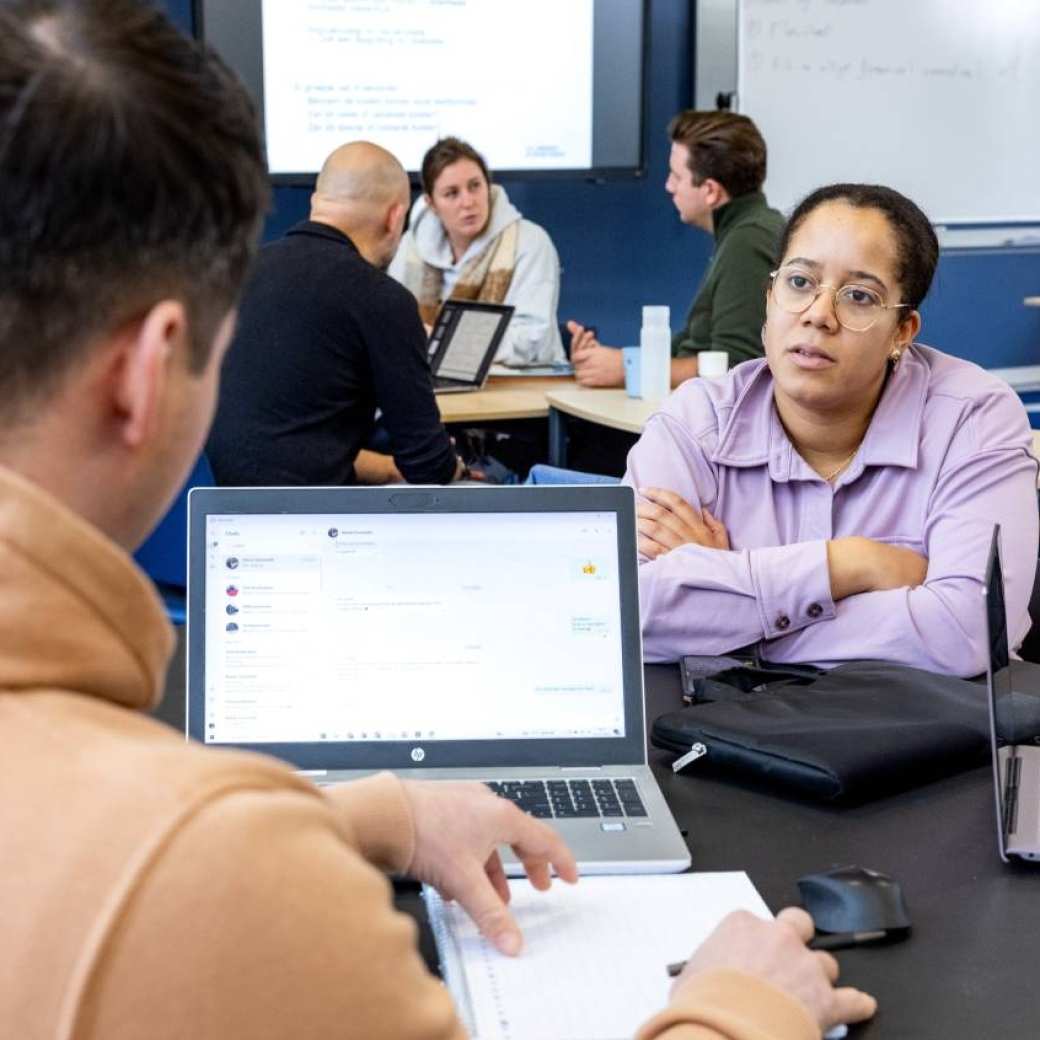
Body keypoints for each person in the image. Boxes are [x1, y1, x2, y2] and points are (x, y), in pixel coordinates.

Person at [0, 3, 877, 1037]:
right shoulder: (201, 878)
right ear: (151, 372)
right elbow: (157, 871)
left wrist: (361, 813)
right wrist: (736, 1009)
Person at [625, 183, 1039, 675]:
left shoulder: (973, 419)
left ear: (901, 333)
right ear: (769, 299)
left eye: (859, 296)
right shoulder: (697, 423)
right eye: (799, 283)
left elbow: (967, 630)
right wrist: (850, 564)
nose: (819, 315)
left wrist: (728, 609)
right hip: (717, 735)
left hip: (914, 739)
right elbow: (625, 612)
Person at [206, 140, 465, 487]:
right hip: (320, 526)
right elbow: (428, 465)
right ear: (394, 218)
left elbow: (284, 443)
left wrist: (387, 469)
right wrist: (458, 469)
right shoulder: (382, 299)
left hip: (223, 513)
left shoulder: (236, 276)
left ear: (316, 202)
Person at [568, 111, 783, 389]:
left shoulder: (748, 241)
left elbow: (734, 366)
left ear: (710, 191)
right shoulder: (742, 232)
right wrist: (610, 360)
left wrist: (627, 369)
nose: (669, 186)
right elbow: (694, 346)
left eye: (677, 176)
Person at [389, 136, 565, 367]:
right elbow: (392, 327)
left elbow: (534, 341)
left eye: (475, 186)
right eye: (452, 193)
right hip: (433, 381)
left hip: (520, 383)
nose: (468, 202)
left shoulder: (529, 241)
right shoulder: (412, 247)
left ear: (488, 186)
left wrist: (446, 343)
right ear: (431, 203)